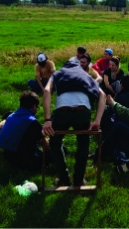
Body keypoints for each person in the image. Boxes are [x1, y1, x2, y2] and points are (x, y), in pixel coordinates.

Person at [42, 57, 106, 187]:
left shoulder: (58, 73)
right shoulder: (85, 75)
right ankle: (79, 180)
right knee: (83, 142)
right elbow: (103, 95)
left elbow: (47, 90)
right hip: (82, 112)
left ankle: (63, 178)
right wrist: (97, 120)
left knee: (55, 141)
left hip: (62, 112)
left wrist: (48, 120)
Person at [0, 91, 51, 171]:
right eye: (37, 107)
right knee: (58, 150)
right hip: (24, 161)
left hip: (7, 156)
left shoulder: (11, 116)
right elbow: (46, 146)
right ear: (33, 107)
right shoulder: (32, 122)